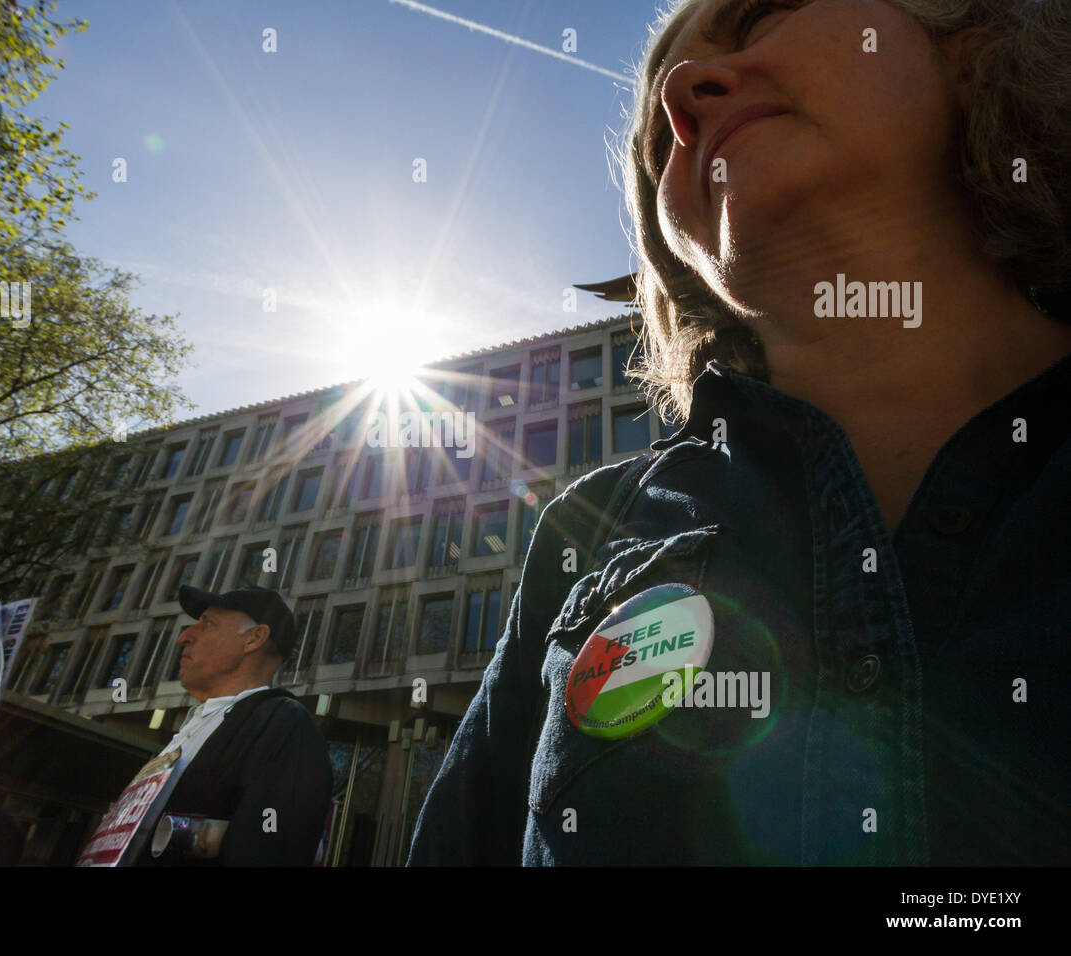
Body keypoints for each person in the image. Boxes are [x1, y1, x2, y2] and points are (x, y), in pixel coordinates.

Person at [409, 0, 1071, 865]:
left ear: (977, 46)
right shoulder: (589, 529)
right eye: (658, 147)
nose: (682, 94)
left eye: (761, 16)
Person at [79, 586, 332, 866]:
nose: (184, 637)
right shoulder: (195, 728)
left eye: (208, 623)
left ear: (254, 638)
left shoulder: (284, 723)